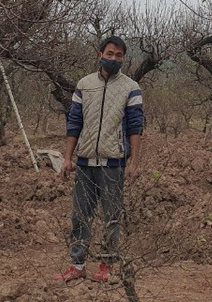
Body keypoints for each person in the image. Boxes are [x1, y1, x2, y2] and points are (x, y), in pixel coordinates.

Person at [53, 35, 144, 283]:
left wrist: (133, 162)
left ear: (123, 58)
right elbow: (74, 122)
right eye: (110, 53)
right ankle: (78, 264)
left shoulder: (130, 87)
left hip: (113, 163)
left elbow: (135, 127)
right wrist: (68, 157)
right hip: (85, 163)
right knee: (80, 215)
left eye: (119, 55)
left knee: (111, 216)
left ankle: (106, 264)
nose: (114, 58)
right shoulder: (84, 84)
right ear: (100, 54)